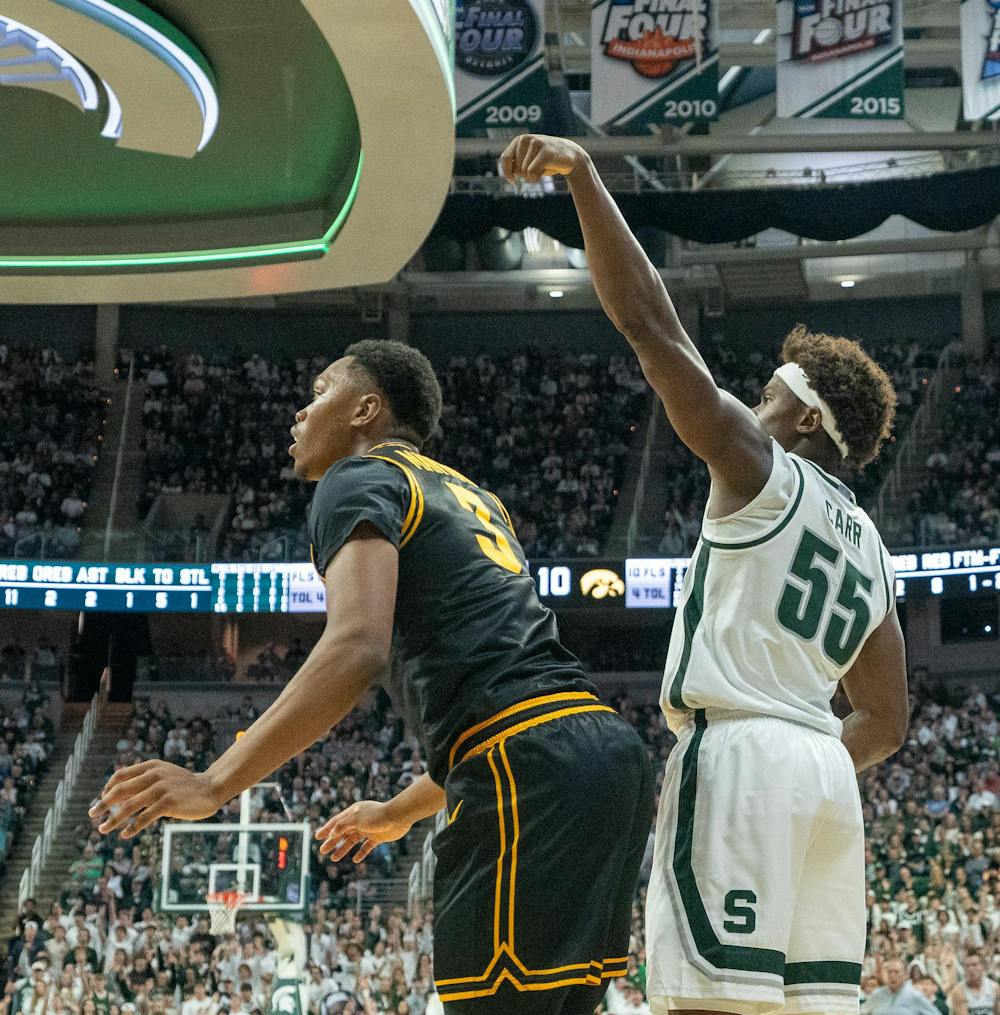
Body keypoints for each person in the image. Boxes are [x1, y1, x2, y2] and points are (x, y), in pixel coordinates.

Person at [92, 339, 654, 1015]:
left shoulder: (355, 478)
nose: (299, 414)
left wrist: (216, 781)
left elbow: (357, 645)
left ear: (365, 409)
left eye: (319, 391)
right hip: (600, 756)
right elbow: (509, 695)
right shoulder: (473, 496)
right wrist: (394, 813)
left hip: (525, 764)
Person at [499, 134, 909, 1015]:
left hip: (746, 753)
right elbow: (888, 716)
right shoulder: (870, 540)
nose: (753, 400)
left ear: (801, 416)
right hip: (826, 778)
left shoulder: (760, 462)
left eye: (768, 392)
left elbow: (650, 322)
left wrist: (584, 177)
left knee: (708, 1006)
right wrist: (808, 758)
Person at [862, 958, 939, 1015]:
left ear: (905, 975)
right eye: (889, 972)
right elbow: (861, 1011)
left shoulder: (914, 996)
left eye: (896, 972)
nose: (892, 975)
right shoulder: (877, 995)